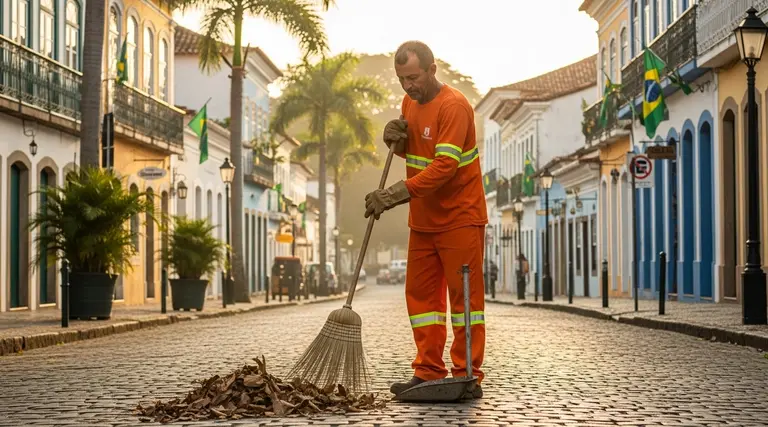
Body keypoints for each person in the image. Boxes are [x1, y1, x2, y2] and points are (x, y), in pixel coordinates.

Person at [363, 40, 488, 398]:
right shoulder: (409, 103)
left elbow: (445, 166)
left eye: (413, 77)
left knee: (464, 302)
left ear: (433, 70)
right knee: (421, 299)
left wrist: (393, 194)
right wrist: (397, 141)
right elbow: (417, 151)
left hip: (460, 218)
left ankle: (467, 375)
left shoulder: (455, 107)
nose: (408, 86)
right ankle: (428, 370)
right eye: (402, 79)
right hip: (423, 221)